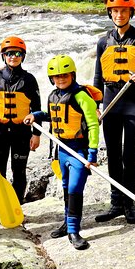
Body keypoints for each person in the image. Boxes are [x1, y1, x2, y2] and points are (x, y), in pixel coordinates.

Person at [93, 0, 135, 225]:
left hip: (134, 103)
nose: (119, 14)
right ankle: (115, 203)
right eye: (115, 11)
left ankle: (130, 203)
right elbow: (98, 77)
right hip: (111, 102)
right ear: (110, 13)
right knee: (112, 155)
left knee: (129, 155)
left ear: (131, 12)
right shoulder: (103, 42)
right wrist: (95, 106)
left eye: (123, 10)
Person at [24, 54, 102, 251]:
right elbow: (53, 116)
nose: (61, 79)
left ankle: (74, 231)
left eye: (65, 76)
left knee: (75, 188)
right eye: (57, 77)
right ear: (52, 79)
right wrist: (35, 115)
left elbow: (93, 125)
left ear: (72, 75)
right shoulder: (53, 95)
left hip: (79, 150)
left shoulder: (81, 96)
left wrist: (92, 153)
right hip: (62, 150)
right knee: (66, 187)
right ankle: (67, 223)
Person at [0, 36, 41, 203]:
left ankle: (17, 204)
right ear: (3, 56)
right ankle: (2, 203)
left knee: (19, 171)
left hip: (21, 133)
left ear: (23, 56)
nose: (13, 56)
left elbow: (37, 108)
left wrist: (36, 134)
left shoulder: (29, 80)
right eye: (9, 53)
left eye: (17, 53)